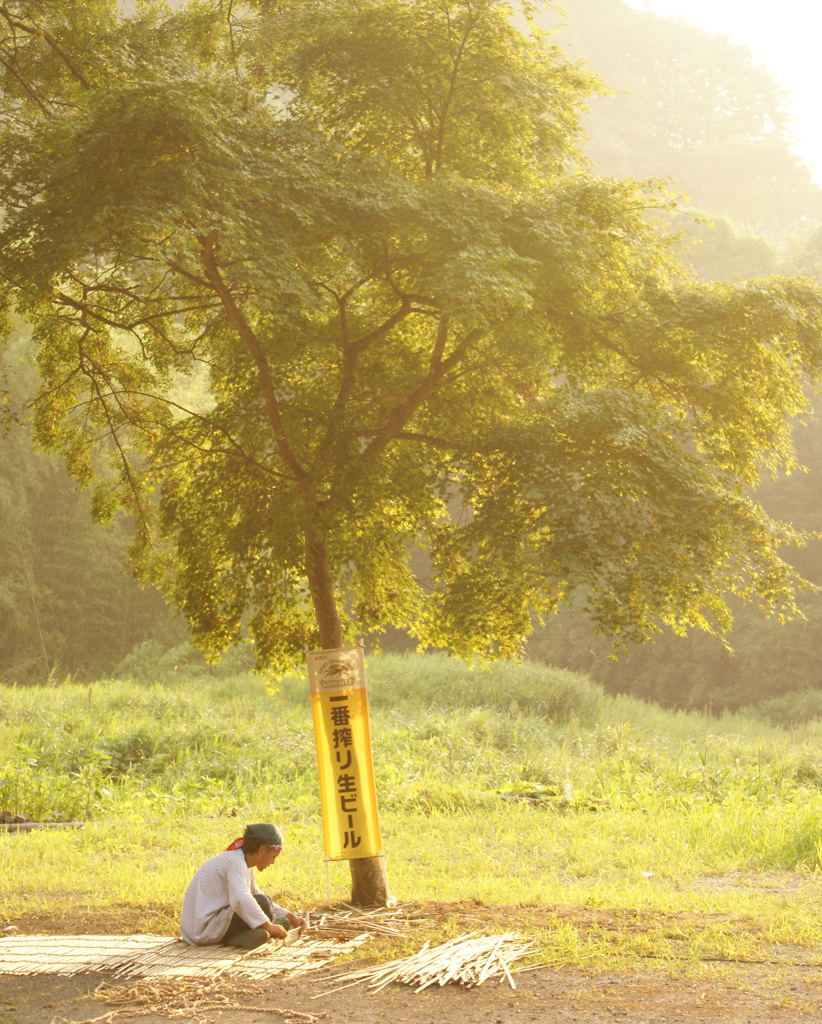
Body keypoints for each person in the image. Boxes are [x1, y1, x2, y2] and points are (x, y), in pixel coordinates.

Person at [180, 822, 308, 949]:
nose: (273, 862)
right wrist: (268, 926)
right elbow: (241, 898)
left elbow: (254, 895)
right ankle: (237, 938)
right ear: (262, 849)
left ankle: (252, 934)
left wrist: (289, 916)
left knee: (266, 905)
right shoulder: (236, 862)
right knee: (262, 903)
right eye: (273, 856)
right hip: (204, 929)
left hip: (213, 923)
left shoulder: (242, 863)